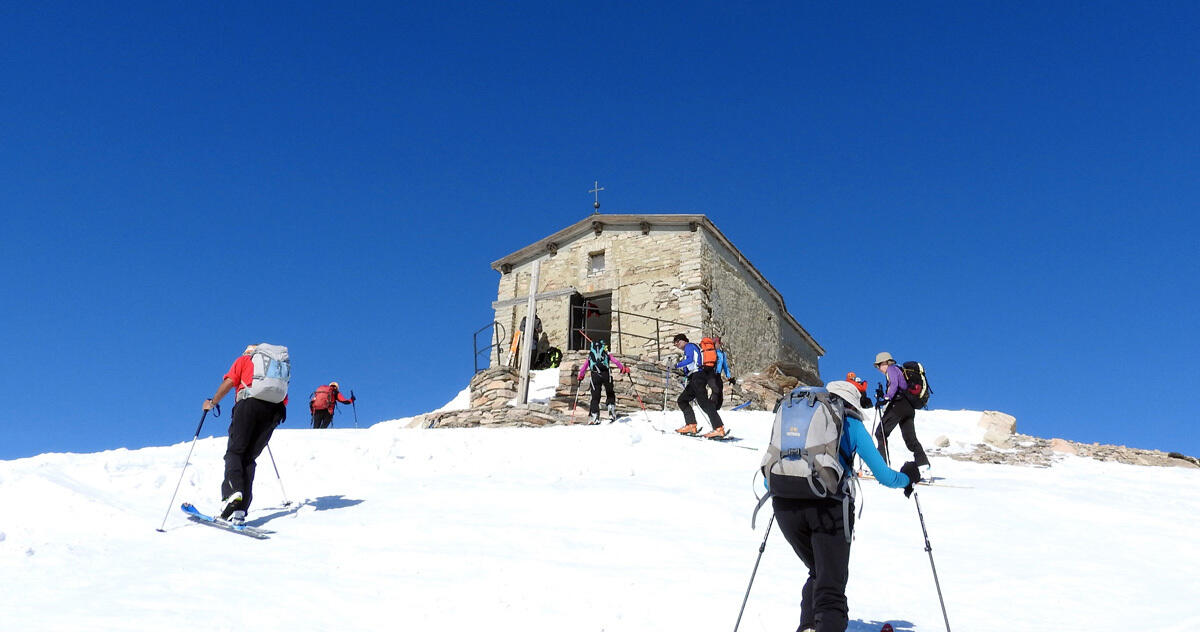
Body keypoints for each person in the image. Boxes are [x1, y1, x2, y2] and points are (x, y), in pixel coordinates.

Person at [772, 380, 921, 632]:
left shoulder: (794, 415)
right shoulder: (850, 422)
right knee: (831, 584)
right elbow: (884, 476)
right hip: (829, 508)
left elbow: (770, 474)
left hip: (784, 505)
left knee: (817, 570)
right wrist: (908, 477)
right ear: (851, 404)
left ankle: (809, 626)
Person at [202, 344, 288, 524]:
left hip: (248, 405)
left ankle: (233, 493)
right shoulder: (276, 368)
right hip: (274, 411)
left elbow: (229, 382)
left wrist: (213, 402)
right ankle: (240, 511)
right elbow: (284, 398)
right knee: (249, 458)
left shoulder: (243, 360)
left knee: (235, 453)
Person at [873, 352, 930, 469]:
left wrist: (886, 398)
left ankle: (881, 467)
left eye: (879, 365)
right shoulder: (899, 370)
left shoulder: (891, 369)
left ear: (885, 363)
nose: (879, 369)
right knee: (911, 440)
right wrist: (884, 395)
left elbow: (894, 385)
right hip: (908, 408)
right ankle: (924, 466)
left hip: (898, 406)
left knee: (880, 433)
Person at [671, 334, 725, 438]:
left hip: (698, 377)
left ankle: (719, 428)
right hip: (695, 378)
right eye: (675, 344)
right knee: (682, 400)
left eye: (677, 342)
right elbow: (690, 365)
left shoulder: (689, 346)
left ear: (682, 340)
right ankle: (691, 425)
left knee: (704, 403)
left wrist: (676, 365)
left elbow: (690, 360)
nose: (676, 345)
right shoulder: (689, 348)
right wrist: (685, 374)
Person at [576, 340, 629, 424]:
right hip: (606, 374)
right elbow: (615, 361)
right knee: (610, 393)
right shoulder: (606, 353)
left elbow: (584, 367)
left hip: (595, 375)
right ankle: (611, 411)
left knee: (595, 396)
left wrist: (581, 376)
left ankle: (594, 416)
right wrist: (622, 368)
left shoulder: (590, 355)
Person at [705, 336, 735, 409]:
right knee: (716, 390)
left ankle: (717, 408)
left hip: (718, 375)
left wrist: (729, 377)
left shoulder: (722, 353)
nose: (720, 344)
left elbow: (725, 366)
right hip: (711, 374)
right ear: (715, 343)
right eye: (719, 343)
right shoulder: (711, 353)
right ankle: (711, 407)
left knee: (720, 390)